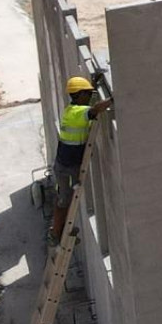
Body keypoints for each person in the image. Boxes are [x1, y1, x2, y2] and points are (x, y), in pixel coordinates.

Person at [48, 75, 113, 242]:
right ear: (78, 95)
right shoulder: (77, 113)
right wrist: (115, 97)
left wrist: (92, 84)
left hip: (66, 163)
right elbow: (95, 109)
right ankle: (57, 234)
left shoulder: (72, 109)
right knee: (64, 200)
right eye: (87, 94)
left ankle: (59, 231)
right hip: (66, 166)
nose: (90, 96)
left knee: (65, 198)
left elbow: (88, 105)